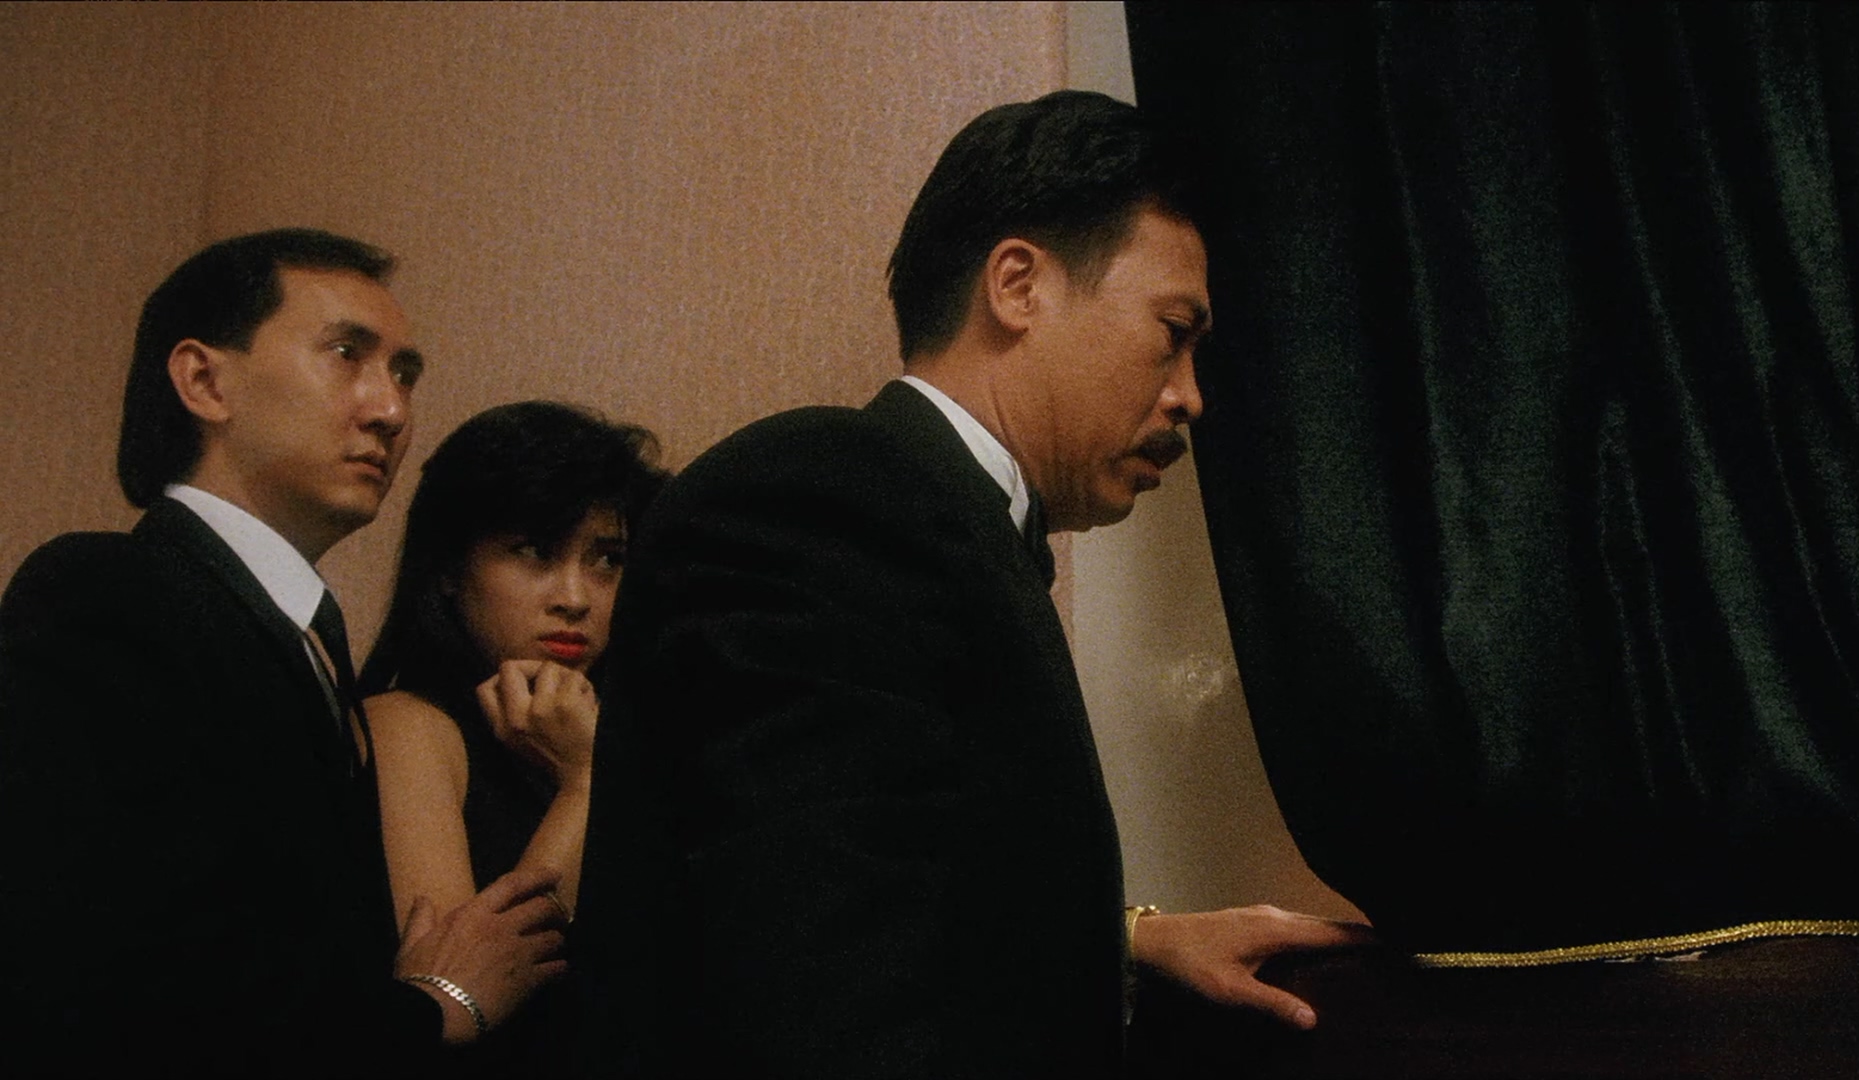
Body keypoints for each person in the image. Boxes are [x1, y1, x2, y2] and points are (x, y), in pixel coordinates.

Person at [575, 91, 1370, 1077]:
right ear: (1019, 286)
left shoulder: (937, 522)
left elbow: (906, 881)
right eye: (1173, 331)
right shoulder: (824, 496)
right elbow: (819, 981)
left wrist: (1126, 943)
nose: (1190, 396)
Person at [0, 229, 566, 1074]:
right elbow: (111, 972)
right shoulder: (106, 592)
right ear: (204, 381)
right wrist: (431, 1009)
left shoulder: (303, 640)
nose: (391, 410)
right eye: (346, 354)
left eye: (405, 373)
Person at [358, 400, 667, 1069]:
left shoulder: (641, 731)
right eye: (534, 552)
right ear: (449, 568)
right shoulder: (408, 724)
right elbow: (465, 1000)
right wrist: (586, 781)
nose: (575, 597)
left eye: (607, 559)